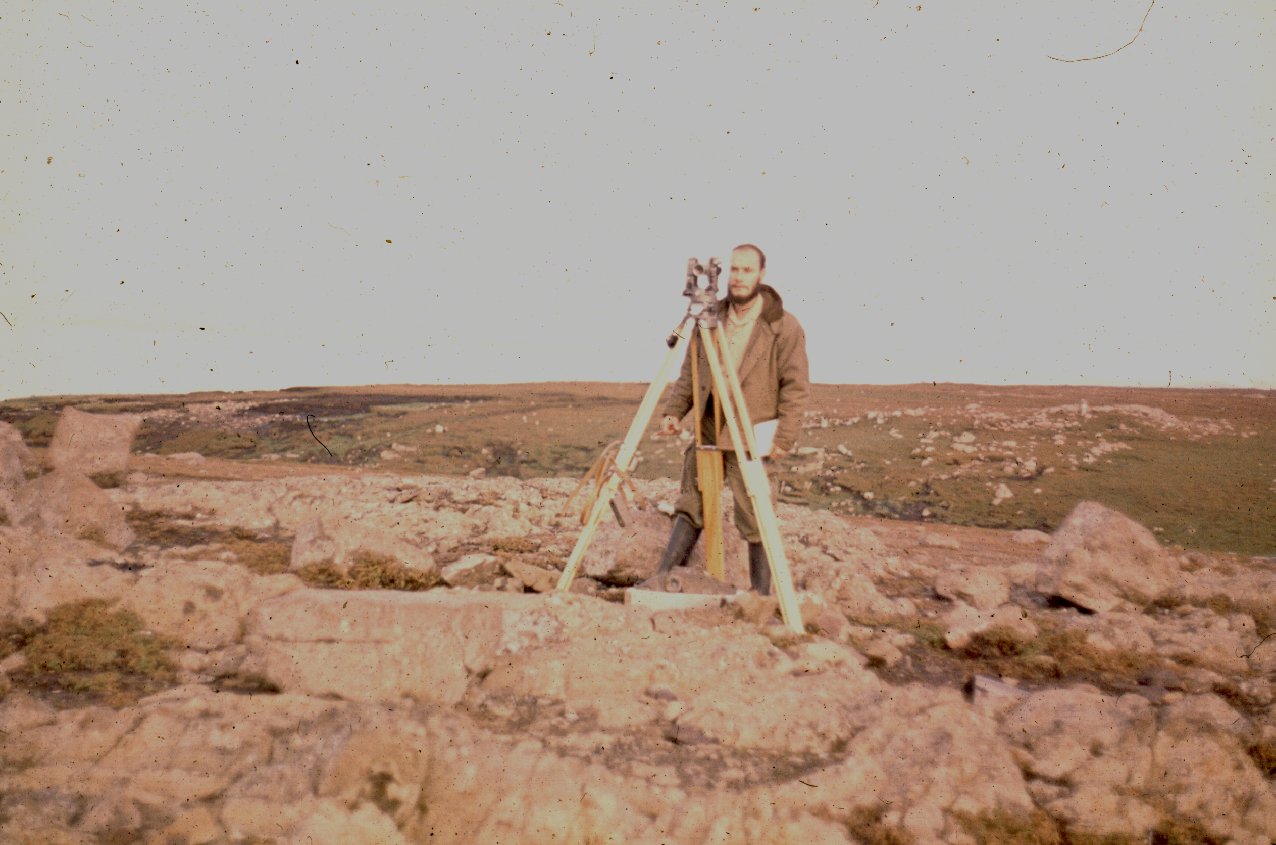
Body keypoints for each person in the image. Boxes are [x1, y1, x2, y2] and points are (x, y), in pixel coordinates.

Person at [655, 243, 810, 595]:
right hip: (710, 425)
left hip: (750, 432)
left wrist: (785, 438)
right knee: (692, 503)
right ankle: (661, 579)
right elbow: (690, 373)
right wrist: (673, 412)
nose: (739, 278)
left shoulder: (782, 326)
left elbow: (796, 387)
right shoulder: (711, 318)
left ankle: (762, 598)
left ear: (761, 275)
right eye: (734, 270)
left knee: (754, 512)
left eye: (747, 270)